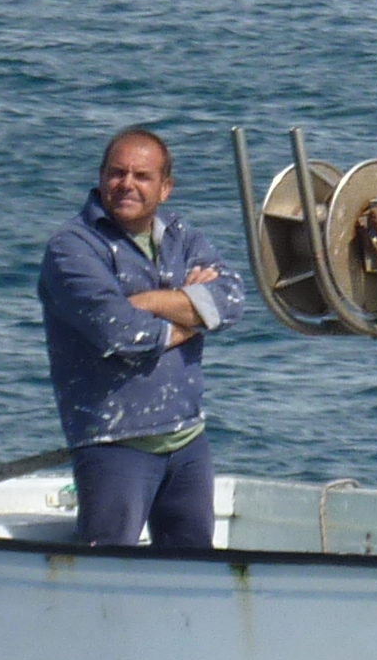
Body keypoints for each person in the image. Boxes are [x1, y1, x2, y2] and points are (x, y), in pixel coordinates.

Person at [38, 126, 247, 552]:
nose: (127, 184)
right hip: (115, 443)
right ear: (100, 178)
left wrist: (148, 300)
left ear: (165, 188)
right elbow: (123, 333)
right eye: (117, 173)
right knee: (106, 574)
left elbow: (231, 299)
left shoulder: (181, 237)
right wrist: (193, 311)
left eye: (142, 176)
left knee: (191, 571)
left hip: (188, 440)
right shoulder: (71, 249)